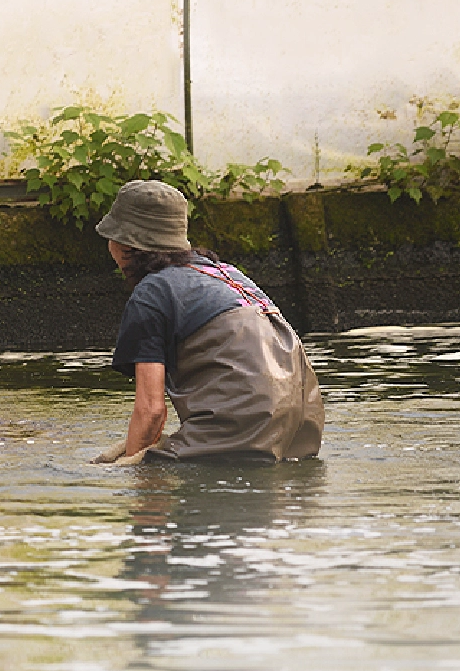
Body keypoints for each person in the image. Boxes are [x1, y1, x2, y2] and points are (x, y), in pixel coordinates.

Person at [91, 180, 324, 464]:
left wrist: (134, 468)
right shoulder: (226, 273)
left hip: (245, 429)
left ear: (125, 243)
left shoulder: (151, 293)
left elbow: (152, 410)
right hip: (302, 427)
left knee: (119, 468)